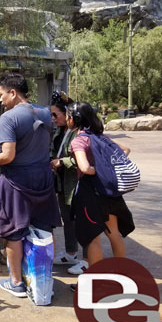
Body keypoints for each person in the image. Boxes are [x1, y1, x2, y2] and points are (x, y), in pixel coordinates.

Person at [0, 73, 61, 298]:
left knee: (14, 232)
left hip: (17, 181)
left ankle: (16, 283)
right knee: (44, 229)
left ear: (13, 93)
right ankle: (42, 279)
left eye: (2, 94)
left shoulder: (9, 118)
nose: (1, 100)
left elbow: (7, 155)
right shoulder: (45, 113)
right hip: (43, 178)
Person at [66, 101, 135, 269]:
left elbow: (84, 167)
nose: (67, 119)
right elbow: (126, 150)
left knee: (92, 239)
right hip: (109, 193)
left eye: (68, 116)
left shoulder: (79, 141)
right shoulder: (102, 137)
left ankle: (94, 282)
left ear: (75, 119)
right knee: (113, 233)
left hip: (90, 193)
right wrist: (108, 169)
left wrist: (99, 170)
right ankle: (121, 275)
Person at [49, 91, 88, 275]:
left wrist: (61, 162)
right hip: (63, 183)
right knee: (67, 219)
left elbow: (81, 160)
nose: (53, 118)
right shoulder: (61, 131)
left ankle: (88, 259)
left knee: (83, 222)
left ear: (68, 115)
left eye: (56, 115)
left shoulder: (80, 133)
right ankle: (71, 252)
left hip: (76, 184)